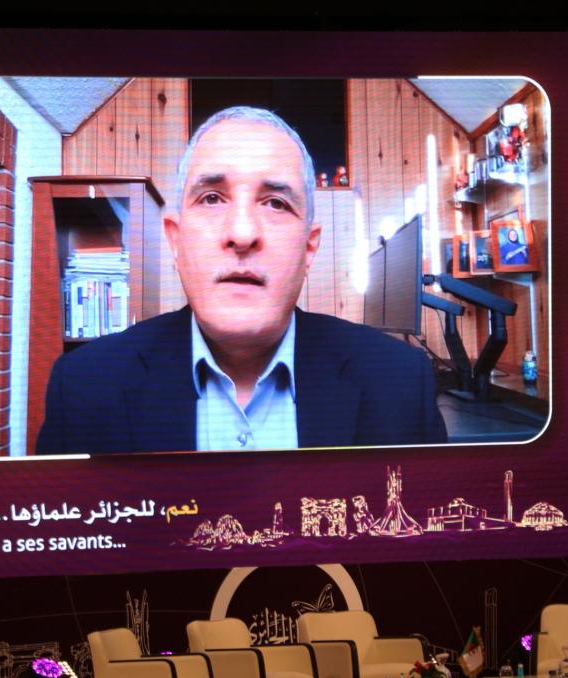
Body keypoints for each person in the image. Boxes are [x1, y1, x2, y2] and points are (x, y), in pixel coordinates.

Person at [36, 106, 446, 454]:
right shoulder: (84, 387)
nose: (243, 233)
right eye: (212, 198)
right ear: (175, 241)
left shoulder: (400, 381)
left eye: (276, 203)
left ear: (309, 248)